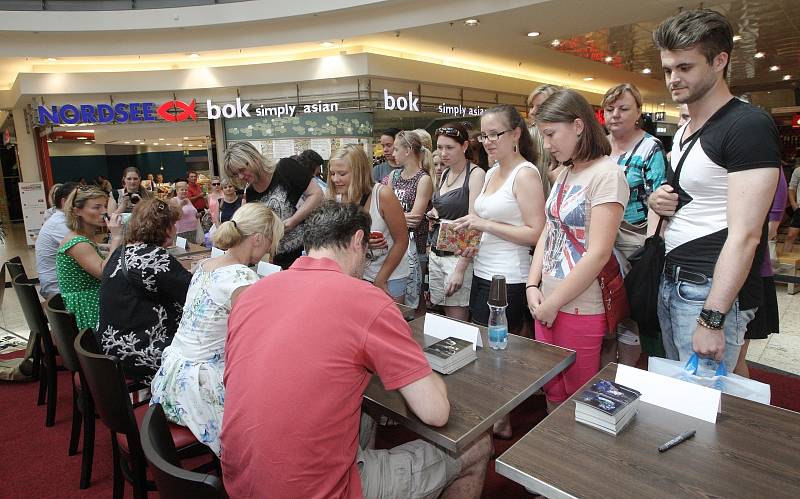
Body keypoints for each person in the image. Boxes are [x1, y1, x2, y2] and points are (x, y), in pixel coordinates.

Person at [221, 200, 492, 498]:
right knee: (475, 443)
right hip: (317, 491)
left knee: (363, 408)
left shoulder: (251, 294)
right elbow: (436, 412)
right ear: (359, 241)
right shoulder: (366, 299)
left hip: (241, 482)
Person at [649, 9, 780, 370]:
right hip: (674, 276)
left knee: (711, 405)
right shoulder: (686, 127)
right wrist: (659, 200)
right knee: (687, 395)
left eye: (685, 67)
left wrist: (712, 318)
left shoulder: (747, 125)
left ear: (720, 61)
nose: (673, 79)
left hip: (709, 289)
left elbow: (747, 236)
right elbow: (696, 197)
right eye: (668, 69)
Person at [151, 203, 283, 456]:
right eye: (270, 242)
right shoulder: (242, 279)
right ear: (258, 239)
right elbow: (259, 339)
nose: (270, 249)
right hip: (199, 389)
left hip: (172, 375)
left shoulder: (205, 266)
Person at [526, 89, 628, 411]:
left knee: (579, 398)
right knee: (553, 392)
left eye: (551, 134)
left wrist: (552, 302)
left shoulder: (607, 174)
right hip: (548, 300)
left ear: (578, 125)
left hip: (580, 306)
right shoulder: (567, 171)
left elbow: (598, 253)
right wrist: (533, 284)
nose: (547, 144)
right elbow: (549, 230)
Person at [455, 104, 545, 336]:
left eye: (495, 134)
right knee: (481, 339)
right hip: (483, 270)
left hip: (509, 276)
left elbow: (537, 232)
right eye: (484, 135)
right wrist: (468, 229)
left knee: (496, 345)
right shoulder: (493, 171)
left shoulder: (525, 174)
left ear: (516, 133)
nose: (488, 141)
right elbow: (484, 218)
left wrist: (484, 225)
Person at [603, 82, 668, 365]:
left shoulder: (649, 148)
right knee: (605, 314)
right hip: (600, 239)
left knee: (629, 316)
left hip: (634, 242)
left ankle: (625, 373)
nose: (615, 114)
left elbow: (658, 200)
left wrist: (652, 249)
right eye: (609, 108)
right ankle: (602, 377)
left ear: (638, 112)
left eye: (623, 108)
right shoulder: (599, 145)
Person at [97, 198, 192, 382]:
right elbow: (194, 294)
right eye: (173, 224)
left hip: (111, 348)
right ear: (165, 228)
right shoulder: (154, 256)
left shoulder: (122, 251)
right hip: (139, 353)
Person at [328, 144, 410, 301]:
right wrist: (362, 243)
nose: (335, 179)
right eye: (332, 173)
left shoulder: (383, 195)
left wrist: (380, 280)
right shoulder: (335, 199)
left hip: (389, 275)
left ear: (359, 172)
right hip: (354, 275)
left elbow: (402, 241)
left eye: (342, 174)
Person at [223, 142, 323, 269]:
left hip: (309, 251)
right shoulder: (250, 193)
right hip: (279, 260)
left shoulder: (285, 168)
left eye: (242, 170)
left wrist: (294, 220)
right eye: (236, 174)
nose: (241, 176)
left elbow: (317, 194)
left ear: (253, 159)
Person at [428, 123, 486, 321]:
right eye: (440, 147)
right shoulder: (445, 173)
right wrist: (435, 212)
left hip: (458, 257)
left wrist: (460, 269)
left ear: (464, 146)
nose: (443, 153)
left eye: (449, 147)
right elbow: (445, 206)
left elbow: (474, 224)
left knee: (457, 320)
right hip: (437, 252)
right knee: (444, 317)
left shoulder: (476, 174)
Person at [735, 170, 786, 377]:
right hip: (706, 271)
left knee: (735, 357)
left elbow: (771, 229)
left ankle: (737, 409)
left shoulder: (771, 168)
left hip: (751, 273)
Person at [57, 186, 123, 331]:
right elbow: (103, 272)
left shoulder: (82, 237)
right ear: (77, 211)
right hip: (87, 309)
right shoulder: (78, 243)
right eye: (96, 207)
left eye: (104, 206)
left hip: (90, 301)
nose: (104, 212)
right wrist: (116, 237)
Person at [385, 130, 435, 308]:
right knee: (396, 293)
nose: (393, 153)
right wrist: (396, 217)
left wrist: (392, 217)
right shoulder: (393, 176)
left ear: (407, 151)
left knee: (415, 295)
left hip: (416, 246)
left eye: (396, 149)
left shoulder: (424, 179)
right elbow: (385, 211)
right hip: (395, 245)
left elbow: (415, 218)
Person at [36, 182, 77, 299]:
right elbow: (98, 268)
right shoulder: (60, 224)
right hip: (58, 290)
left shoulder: (60, 219)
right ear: (65, 203)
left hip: (60, 284)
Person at [527, 84, 562, 195]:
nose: (532, 112)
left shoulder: (566, 138)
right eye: (532, 106)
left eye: (539, 107)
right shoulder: (530, 135)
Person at [170, 178, 200, 244]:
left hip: (193, 229)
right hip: (181, 231)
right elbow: (174, 216)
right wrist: (181, 205)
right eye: (182, 190)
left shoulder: (187, 200)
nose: (184, 191)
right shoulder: (174, 200)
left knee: (193, 249)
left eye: (186, 190)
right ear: (177, 191)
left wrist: (198, 215)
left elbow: (193, 212)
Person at [782, 165, 800, 253]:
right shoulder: (798, 171)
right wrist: (793, 203)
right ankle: (785, 264)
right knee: (791, 235)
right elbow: (791, 188)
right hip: (799, 209)